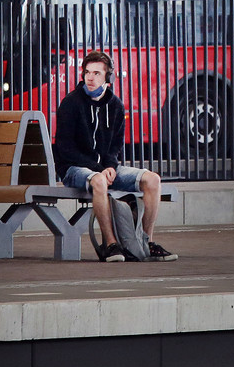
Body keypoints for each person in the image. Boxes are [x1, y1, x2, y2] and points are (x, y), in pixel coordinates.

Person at [53, 50, 176, 262]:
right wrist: (100, 169)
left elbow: (115, 147)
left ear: (108, 78)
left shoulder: (116, 105)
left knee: (153, 180)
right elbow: (65, 149)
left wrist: (109, 165)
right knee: (100, 181)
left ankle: (145, 243)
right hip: (74, 169)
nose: (90, 78)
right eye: (87, 73)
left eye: (97, 73)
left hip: (105, 168)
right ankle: (110, 245)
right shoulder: (70, 103)